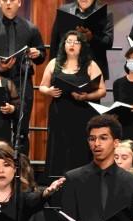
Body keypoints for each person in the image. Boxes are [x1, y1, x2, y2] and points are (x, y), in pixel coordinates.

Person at [0, 0, 46, 155]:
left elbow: (42, 54)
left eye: (12, 0)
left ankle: (22, 170)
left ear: (19, 3)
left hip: (22, 81)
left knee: (21, 129)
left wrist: (37, 54)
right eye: (5, 0)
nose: (8, 3)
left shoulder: (30, 28)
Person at [39, 30, 106, 176]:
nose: (72, 45)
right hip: (59, 111)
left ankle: (82, 179)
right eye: (69, 41)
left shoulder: (90, 64)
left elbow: (102, 90)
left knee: (79, 147)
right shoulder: (54, 63)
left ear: (82, 46)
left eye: (76, 42)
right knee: (59, 146)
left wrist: (87, 96)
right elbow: (42, 86)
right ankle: (55, 178)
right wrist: (49, 91)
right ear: (63, 45)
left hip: (81, 112)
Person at [50, 0, 113, 81]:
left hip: (92, 69)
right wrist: (53, 68)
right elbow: (55, 41)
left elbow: (109, 42)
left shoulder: (106, 13)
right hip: (65, 68)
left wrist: (92, 38)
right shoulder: (64, 10)